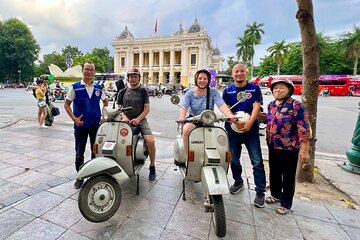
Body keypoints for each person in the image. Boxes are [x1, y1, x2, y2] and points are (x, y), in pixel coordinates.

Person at [222, 63, 266, 208]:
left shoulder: (254, 88)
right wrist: (235, 122)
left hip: (251, 131)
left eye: (242, 71)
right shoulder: (228, 91)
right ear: (232, 74)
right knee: (233, 159)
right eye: (236, 72)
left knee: (257, 161)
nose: (239, 74)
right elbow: (226, 109)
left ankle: (260, 192)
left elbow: (256, 106)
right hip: (233, 131)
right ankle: (238, 181)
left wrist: (249, 123)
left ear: (245, 73)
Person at [265, 77, 310, 215]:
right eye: (275, 88)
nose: (278, 90)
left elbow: (304, 127)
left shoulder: (296, 105)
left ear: (289, 90)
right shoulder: (272, 105)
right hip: (273, 145)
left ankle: (286, 203)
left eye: (281, 88)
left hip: (290, 148)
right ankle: (275, 195)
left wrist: (304, 149)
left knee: (289, 176)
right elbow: (270, 120)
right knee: (275, 172)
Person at [178, 69, 240, 161]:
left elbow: (221, 104)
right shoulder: (190, 93)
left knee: (219, 141)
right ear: (196, 79)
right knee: (186, 129)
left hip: (208, 122)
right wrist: (182, 117)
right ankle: (188, 158)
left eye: (205, 79)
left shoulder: (213, 92)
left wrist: (230, 115)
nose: (202, 81)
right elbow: (184, 107)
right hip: (193, 121)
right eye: (200, 78)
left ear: (208, 80)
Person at [64, 62, 108, 189]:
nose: (89, 72)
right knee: (79, 153)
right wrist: (74, 119)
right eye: (87, 69)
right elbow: (66, 104)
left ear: (94, 72)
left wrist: (103, 117)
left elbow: (105, 101)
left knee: (95, 152)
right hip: (81, 126)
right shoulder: (75, 87)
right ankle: (80, 176)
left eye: (92, 70)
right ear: (82, 71)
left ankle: (93, 175)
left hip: (95, 125)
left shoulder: (99, 88)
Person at [117, 67, 157, 181]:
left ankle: (152, 165)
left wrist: (138, 119)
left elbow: (147, 109)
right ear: (128, 78)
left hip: (141, 119)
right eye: (131, 77)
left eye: (135, 77)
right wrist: (124, 117)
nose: (133, 79)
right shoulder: (122, 91)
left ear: (138, 78)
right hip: (125, 119)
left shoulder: (143, 91)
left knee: (150, 141)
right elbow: (119, 108)